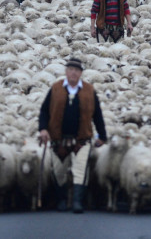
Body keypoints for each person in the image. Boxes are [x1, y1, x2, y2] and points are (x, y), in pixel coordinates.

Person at [38, 58, 108, 213]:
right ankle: (62, 200)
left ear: (81, 73)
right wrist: (43, 129)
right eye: (70, 69)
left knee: (80, 170)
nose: (73, 73)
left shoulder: (89, 90)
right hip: (58, 139)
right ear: (66, 72)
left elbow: (97, 114)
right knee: (59, 171)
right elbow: (44, 110)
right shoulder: (56, 89)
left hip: (82, 139)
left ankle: (77, 202)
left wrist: (102, 135)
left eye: (76, 70)